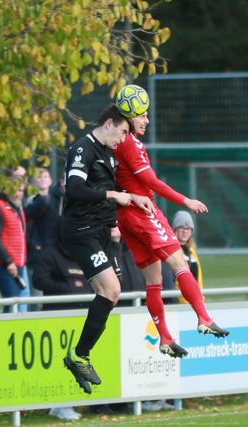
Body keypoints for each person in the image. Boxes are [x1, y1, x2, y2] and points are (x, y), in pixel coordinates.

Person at [113, 90, 229, 360]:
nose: (147, 120)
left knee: (153, 282)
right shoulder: (131, 144)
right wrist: (185, 200)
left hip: (125, 217)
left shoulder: (114, 143)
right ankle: (203, 317)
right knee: (181, 264)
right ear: (129, 116)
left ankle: (164, 337)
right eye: (142, 114)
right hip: (143, 212)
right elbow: (152, 181)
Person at [60, 104, 155, 395]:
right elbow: (74, 189)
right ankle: (79, 355)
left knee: (113, 293)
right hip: (80, 232)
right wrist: (113, 194)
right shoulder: (83, 148)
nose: (123, 139)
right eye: (123, 132)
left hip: (101, 234)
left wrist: (133, 198)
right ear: (110, 123)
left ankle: (80, 355)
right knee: (111, 290)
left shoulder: (109, 153)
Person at [32, 238, 89, 421]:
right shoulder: (49, 253)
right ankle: (60, 405)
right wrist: (65, 289)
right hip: (56, 317)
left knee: (76, 361)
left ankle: (63, 405)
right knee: (60, 362)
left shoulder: (83, 251)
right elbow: (39, 280)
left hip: (80, 315)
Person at [0, 169, 30, 313]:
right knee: (12, 302)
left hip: (19, 264)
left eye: (21, 191)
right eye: (15, 190)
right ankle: (6, 334)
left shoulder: (17, 208)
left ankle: (14, 332)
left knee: (17, 301)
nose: (17, 194)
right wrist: (7, 261)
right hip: (4, 265)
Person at [25, 168, 65, 311]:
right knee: (36, 300)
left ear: (51, 181)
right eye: (39, 177)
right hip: (37, 253)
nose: (42, 179)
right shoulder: (35, 202)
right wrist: (34, 244)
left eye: (46, 176)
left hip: (52, 253)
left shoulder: (58, 200)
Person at [162, 211, 203, 305]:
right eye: (182, 228)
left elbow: (198, 280)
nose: (185, 231)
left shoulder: (192, 251)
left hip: (195, 303)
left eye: (188, 228)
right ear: (175, 229)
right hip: (179, 304)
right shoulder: (170, 251)